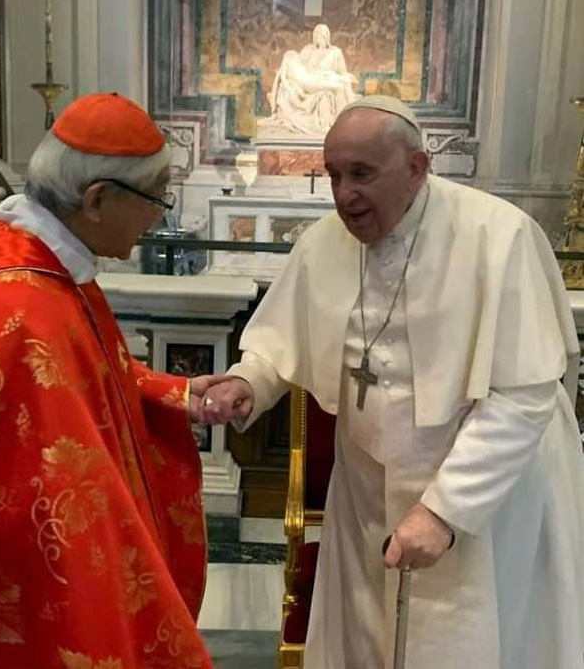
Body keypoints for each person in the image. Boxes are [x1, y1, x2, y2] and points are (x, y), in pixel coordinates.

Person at [200, 95, 584, 668]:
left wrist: (446, 510)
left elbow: (523, 397)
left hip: (486, 488)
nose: (343, 195)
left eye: (361, 174)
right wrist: (249, 381)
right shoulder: (326, 241)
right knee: (367, 635)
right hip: (366, 486)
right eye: (334, 175)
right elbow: (284, 338)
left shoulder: (500, 237)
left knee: (472, 638)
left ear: (416, 168)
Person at [0, 93, 219, 669]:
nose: (159, 216)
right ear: (97, 199)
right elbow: (36, 508)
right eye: (156, 197)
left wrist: (177, 394)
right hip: (30, 597)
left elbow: (83, 378)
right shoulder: (17, 309)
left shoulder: (45, 274)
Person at [263, 24, 359, 136]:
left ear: (327, 37)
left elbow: (342, 72)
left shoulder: (335, 52)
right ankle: (343, 123)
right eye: (317, 36)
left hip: (323, 79)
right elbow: (292, 72)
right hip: (312, 82)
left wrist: (347, 76)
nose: (319, 38)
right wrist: (288, 87)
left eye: (322, 36)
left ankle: (345, 121)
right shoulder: (306, 51)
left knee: (344, 82)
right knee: (337, 88)